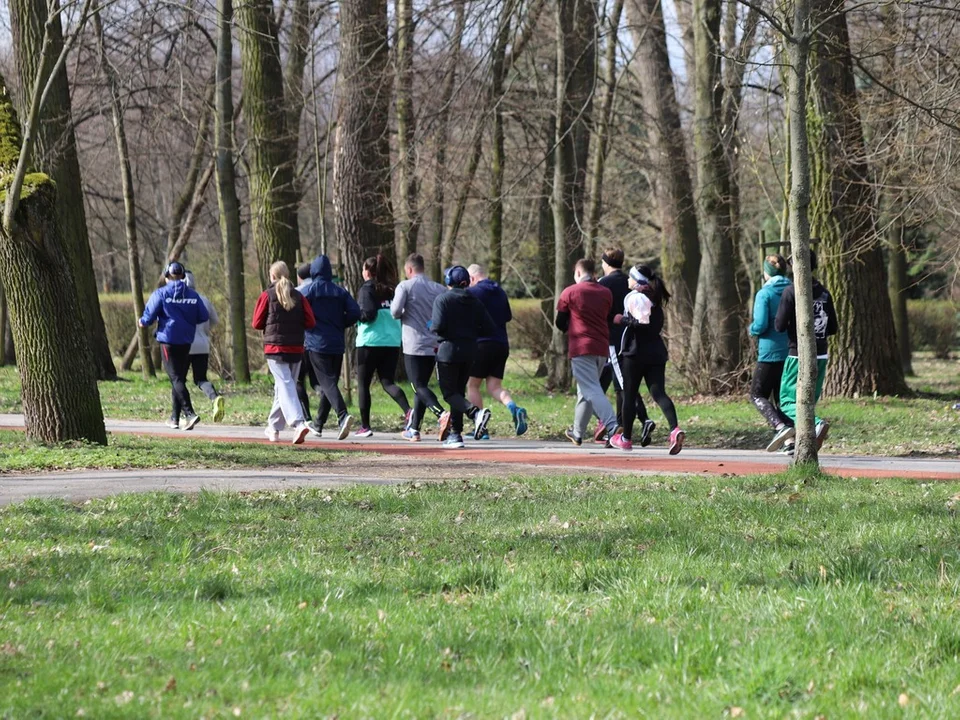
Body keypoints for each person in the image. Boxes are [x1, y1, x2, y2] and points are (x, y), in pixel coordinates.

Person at [608, 265, 685, 454]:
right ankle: (674, 429)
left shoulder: (636, 298)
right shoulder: (655, 297)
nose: (627, 280)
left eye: (630, 277)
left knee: (629, 394)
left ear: (636, 280)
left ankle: (626, 438)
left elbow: (643, 325)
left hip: (635, 354)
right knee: (659, 393)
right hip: (657, 352)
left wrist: (621, 319)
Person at [772, 248, 838, 452]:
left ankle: (817, 424)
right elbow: (833, 328)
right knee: (809, 401)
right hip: (822, 353)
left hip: (798, 354)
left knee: (787, 401)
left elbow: (780, 325)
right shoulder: (825, 292)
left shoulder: (791, 291)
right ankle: (802, 443)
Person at [555, 258, 619, 447]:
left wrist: (572, 327)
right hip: (601, 348)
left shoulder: (570, 292)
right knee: (586, 391)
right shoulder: (606, 293)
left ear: (577, 273)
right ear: (594, 273)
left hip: (581, 348)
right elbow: (608, 317)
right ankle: (577, 432)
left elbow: (560, 322)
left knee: (591, 389)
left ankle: (613, 425)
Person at [252, 261, 317, 444]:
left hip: (275, 348)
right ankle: (273, 428)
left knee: (285, 386)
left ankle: (298, 423)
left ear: (272, 276)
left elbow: (256, 323)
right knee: (283, 387)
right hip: (296, 348)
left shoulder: (267, 295)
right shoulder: (298, 295)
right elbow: (311, 321)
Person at [139, 261, 209, 431]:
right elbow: (203, 316)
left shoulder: (161, 293)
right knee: (179, 379)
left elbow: (148, 316)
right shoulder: (193, 295)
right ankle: (174, 418)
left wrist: (142, 321)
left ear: (166, 275)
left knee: (176, 379)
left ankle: (190, 414)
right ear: (183, 276)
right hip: (186, 341)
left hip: (168, 341)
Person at [431, 266, 496, 448]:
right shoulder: (475, 301)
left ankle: (475, 413)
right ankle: (455, 435)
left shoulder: (442, 299)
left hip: (448, 351)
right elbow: (489, 327)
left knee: (449, 393)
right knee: (458, 392)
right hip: (469, 352)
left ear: (448, 281)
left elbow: (437, 326)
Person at [301, 255, 361, 440]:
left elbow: (299, 311)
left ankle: (342, 415)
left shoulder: (308, 291)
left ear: (313, 271)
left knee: (327, 383)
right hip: (336, 343)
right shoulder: (340, 291)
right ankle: (318, 424)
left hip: (316, 342)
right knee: (330, 383)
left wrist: (307, 326)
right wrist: (341, 323)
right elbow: (355, 312)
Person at [465, 263, 528, 437]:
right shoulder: (500, 291)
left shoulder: (473, 292)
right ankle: (513, 408)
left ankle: (480, 427)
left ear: (472, 278)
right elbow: (507, 316)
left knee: (472, 385)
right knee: (494, 387)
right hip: (501, 344)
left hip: (481, 344)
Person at [390, 252, 448, 442]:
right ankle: (414, 429)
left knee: (417, 385)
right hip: (433, 343)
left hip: (414, 344)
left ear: (409, 269)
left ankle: (441, 414)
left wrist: (406, 311)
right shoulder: (438, 288)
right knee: (421, 385)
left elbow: (395, 311)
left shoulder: (405, 286)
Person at [355, 254, 411, 437]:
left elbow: (369, 314)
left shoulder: (367, 289)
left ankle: (365, 427)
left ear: (368, 272)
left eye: (364, 268)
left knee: (363, 384)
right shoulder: (394, 289)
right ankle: (409, 411)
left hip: (369, 342)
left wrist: (355, 315)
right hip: (392, 341)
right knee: (387, 382)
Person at [597, 247, 644, 441]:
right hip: (630, 338)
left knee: (618, 386)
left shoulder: (602, 283)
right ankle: (608, 422)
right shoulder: (629, 282)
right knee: (609, 383)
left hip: (610, 340)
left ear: (606, 263)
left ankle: (617, 425)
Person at [748, 255, 793, 452]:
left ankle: (781, 427)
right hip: (791, 350)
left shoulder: (764, 294)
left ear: (767, 272)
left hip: (769, 352)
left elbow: (760, 324)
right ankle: (790, 442)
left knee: (757, 394)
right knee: (781, 397)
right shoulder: (793, 289)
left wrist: (751, 330)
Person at [183, 271, 225, 424]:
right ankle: (214, 398)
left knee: (178, 380)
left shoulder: (179, 300)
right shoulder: (204, 299)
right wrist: (204, 331)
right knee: (200, 379)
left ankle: (184, 412)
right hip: (202, 344)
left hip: (184, 344)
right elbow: (215, 320)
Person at [294, 262, 321, 433]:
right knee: (318, 381)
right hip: (321, 343)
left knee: (298, 380)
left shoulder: (298, 293)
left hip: (302, 342)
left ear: (299, 277)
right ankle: (323, 398)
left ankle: (307, 417)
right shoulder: (324, 289)